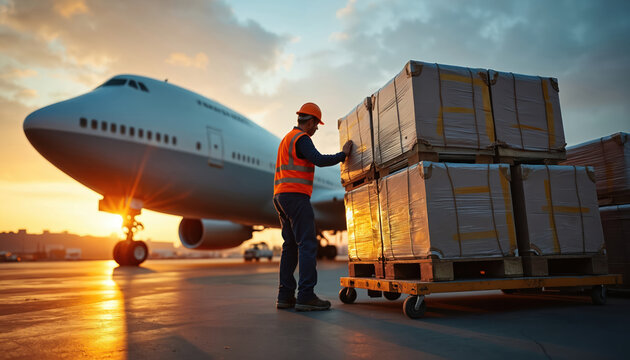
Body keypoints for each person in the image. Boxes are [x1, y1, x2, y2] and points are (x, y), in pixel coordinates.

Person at [273, 102, 352, 311]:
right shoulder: (302, 139)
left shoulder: (286, 139)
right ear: (310, 122)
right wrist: (343, 155)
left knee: (289, 247)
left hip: (280, 197)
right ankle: (306, 296)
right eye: (317, 125)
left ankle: (285, 296)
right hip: (296, 197)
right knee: (307, 245)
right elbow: (318, 159)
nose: (317, 129)